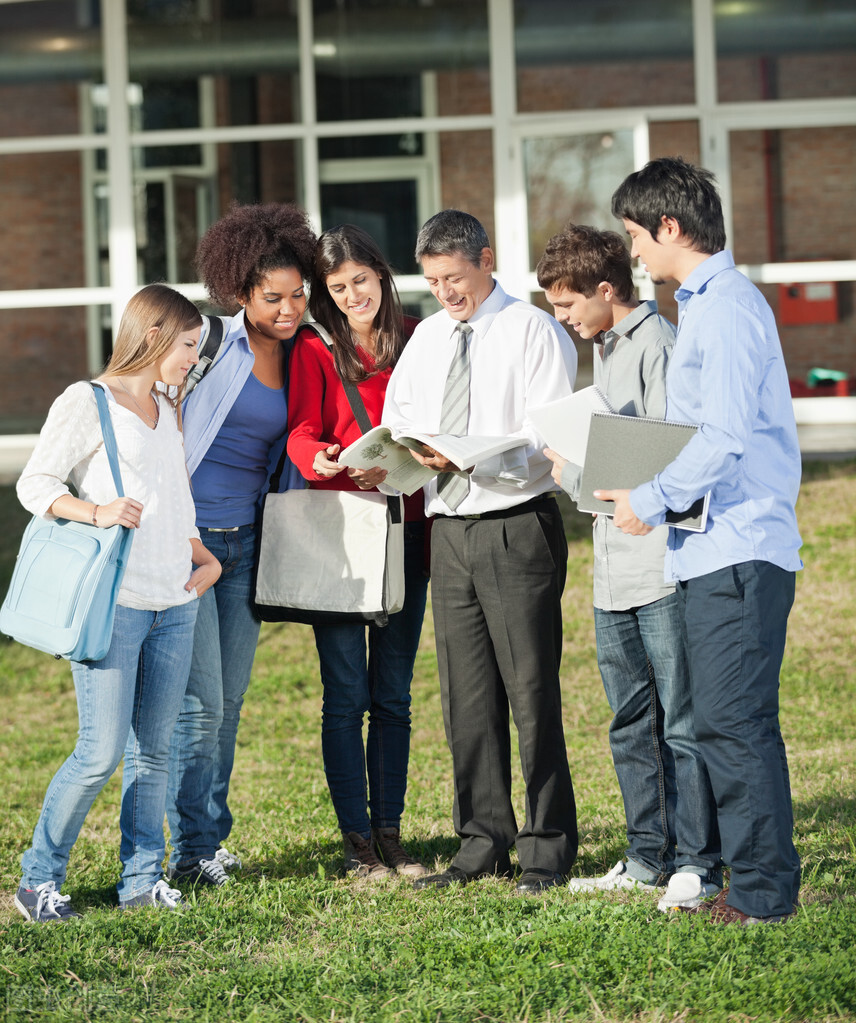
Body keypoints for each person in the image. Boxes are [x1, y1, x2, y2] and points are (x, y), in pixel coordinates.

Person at [600, 157, 803, 925]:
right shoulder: (710, 306)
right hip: (714, 549)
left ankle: (760, 896)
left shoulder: (721, 310)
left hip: (738, 550)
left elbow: (721, 437)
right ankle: (756, 884)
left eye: (634, 236)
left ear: (671, 227)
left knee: (731, 722)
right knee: (729, 720)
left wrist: (648, 499)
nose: (634, 253)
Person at [383, 209, 579, 894]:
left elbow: (547, 432)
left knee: (529, 692)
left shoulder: (533, 330)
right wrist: (406, 450)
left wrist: (470, 456)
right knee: (466, 696)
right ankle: (482, 840)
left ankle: (547, 847)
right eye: (433, 281)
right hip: (450, 528)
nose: (445, 292)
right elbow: (400, 412)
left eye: (455, 277)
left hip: (514, 522)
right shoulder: (429, 338)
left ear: (486, 259)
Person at [14, 284, 221, 920]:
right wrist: (97, 510)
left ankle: (140, 880)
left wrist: (203, 556)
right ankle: (36, 880)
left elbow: (173, 495)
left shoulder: (168, 403)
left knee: (154, 750)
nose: (193, 358)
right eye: (189, 345)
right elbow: (34, 484)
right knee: (100, 751)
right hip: (117, 602)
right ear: (155, 336)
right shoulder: (87, 401)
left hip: (175, 599)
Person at [537, 223, 721, 910]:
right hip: (612, 568)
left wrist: (578, 470)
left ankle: (699, 862)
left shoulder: (661, 347)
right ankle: (648, 856)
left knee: (680, 719)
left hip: (661, 566)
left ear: (605, 289)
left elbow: (670, 459)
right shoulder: (607, 347)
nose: (562, 319)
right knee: (628, 719)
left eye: (566, 306)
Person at [166, 203, 317, 887]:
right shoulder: (206, 342)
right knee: (198, 704)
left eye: (297, 294)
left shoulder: (302, 353)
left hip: (248, 543)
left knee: (228, 701)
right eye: (273, 297)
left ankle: (207, 839)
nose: (289, 308)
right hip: (188, 545)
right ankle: (192, 849)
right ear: (239, 293)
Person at [286, 224, 429, 880]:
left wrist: (408, 460)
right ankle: (356, 840)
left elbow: (441, 426)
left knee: (393, 693)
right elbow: (303, 433)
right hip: (342, 536)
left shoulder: (420, 337)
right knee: (346, 693)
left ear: (381, 272)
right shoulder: (316, 351)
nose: (351, 297)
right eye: (338, 288)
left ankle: (390, 830)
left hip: (410, 529)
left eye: (360, 282)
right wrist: (323, 461)